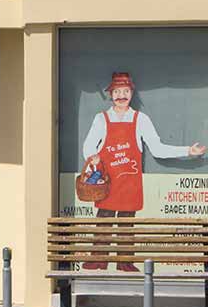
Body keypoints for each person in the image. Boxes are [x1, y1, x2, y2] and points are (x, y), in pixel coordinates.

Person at [81, 72, 206, 271]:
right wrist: (93, 157)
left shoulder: (141, 119)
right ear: (111, 94)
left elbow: (158, 148)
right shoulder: (101, 119)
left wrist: (188, 151)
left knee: (127, 225)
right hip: (107, 182)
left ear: (131, 93)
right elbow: (88, 146)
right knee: (103, 220)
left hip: (130, 183)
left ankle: (125, 262)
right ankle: (98, 259)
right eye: (117, 91)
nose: (121, 95)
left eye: (126, 91)